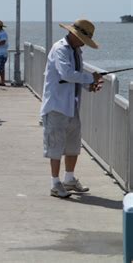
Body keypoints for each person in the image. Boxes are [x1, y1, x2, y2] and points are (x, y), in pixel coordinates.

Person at [41, 19, 103, 198]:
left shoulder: (76, 50)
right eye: (84, 39)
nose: (84, 43)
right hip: (56, 106)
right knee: (55, 146)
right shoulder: (60, 49)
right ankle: (55, 183)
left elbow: (76, 77)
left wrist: (88, 85)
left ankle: (69, 179)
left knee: (73, 145)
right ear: (76, 35)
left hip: (72, 105)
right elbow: (66, 74)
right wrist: (91, 78)